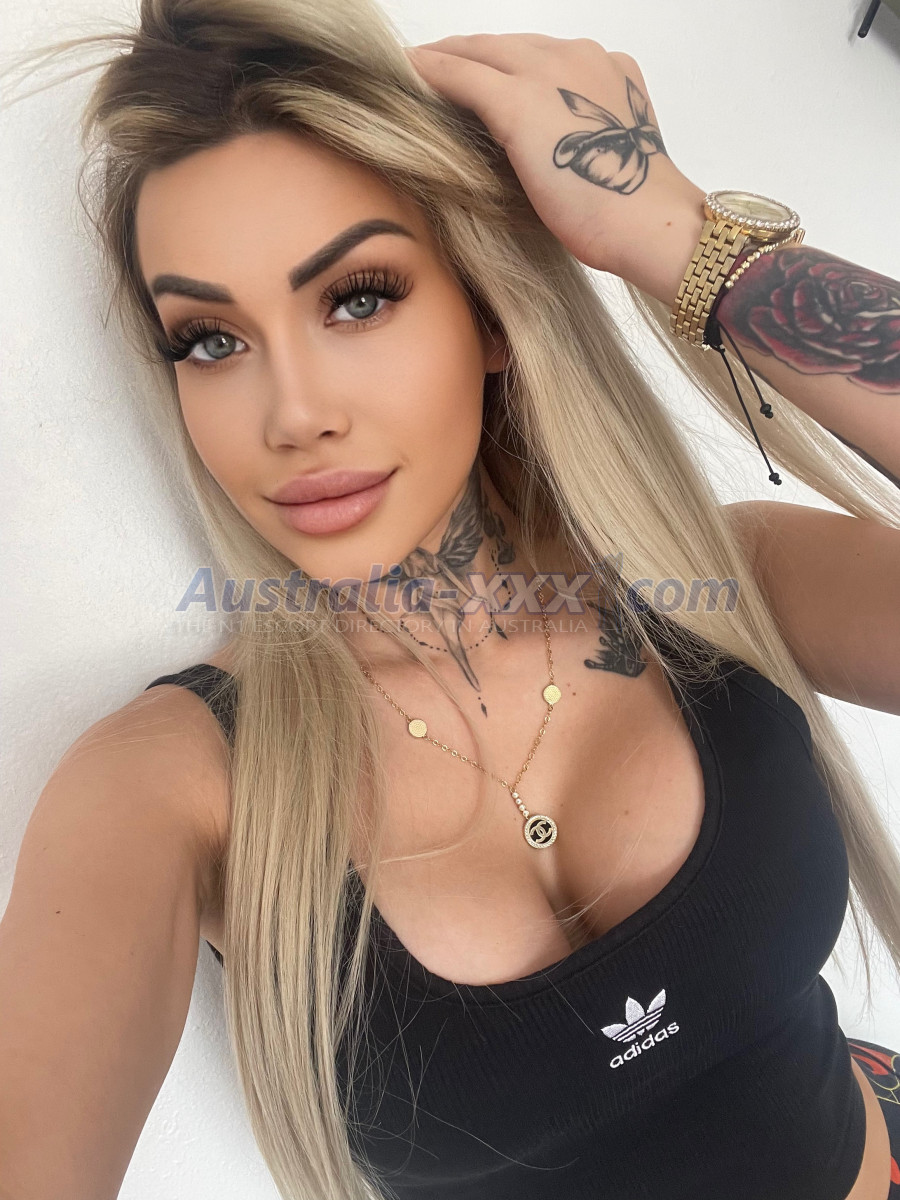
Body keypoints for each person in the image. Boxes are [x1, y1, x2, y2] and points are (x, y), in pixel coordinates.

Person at [1, 1, 900, 1197]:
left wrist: (682, 236)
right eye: (211, 341)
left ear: (487, 309)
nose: (293, 415)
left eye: (358, 295)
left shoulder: (730, 578)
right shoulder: (173, 791)